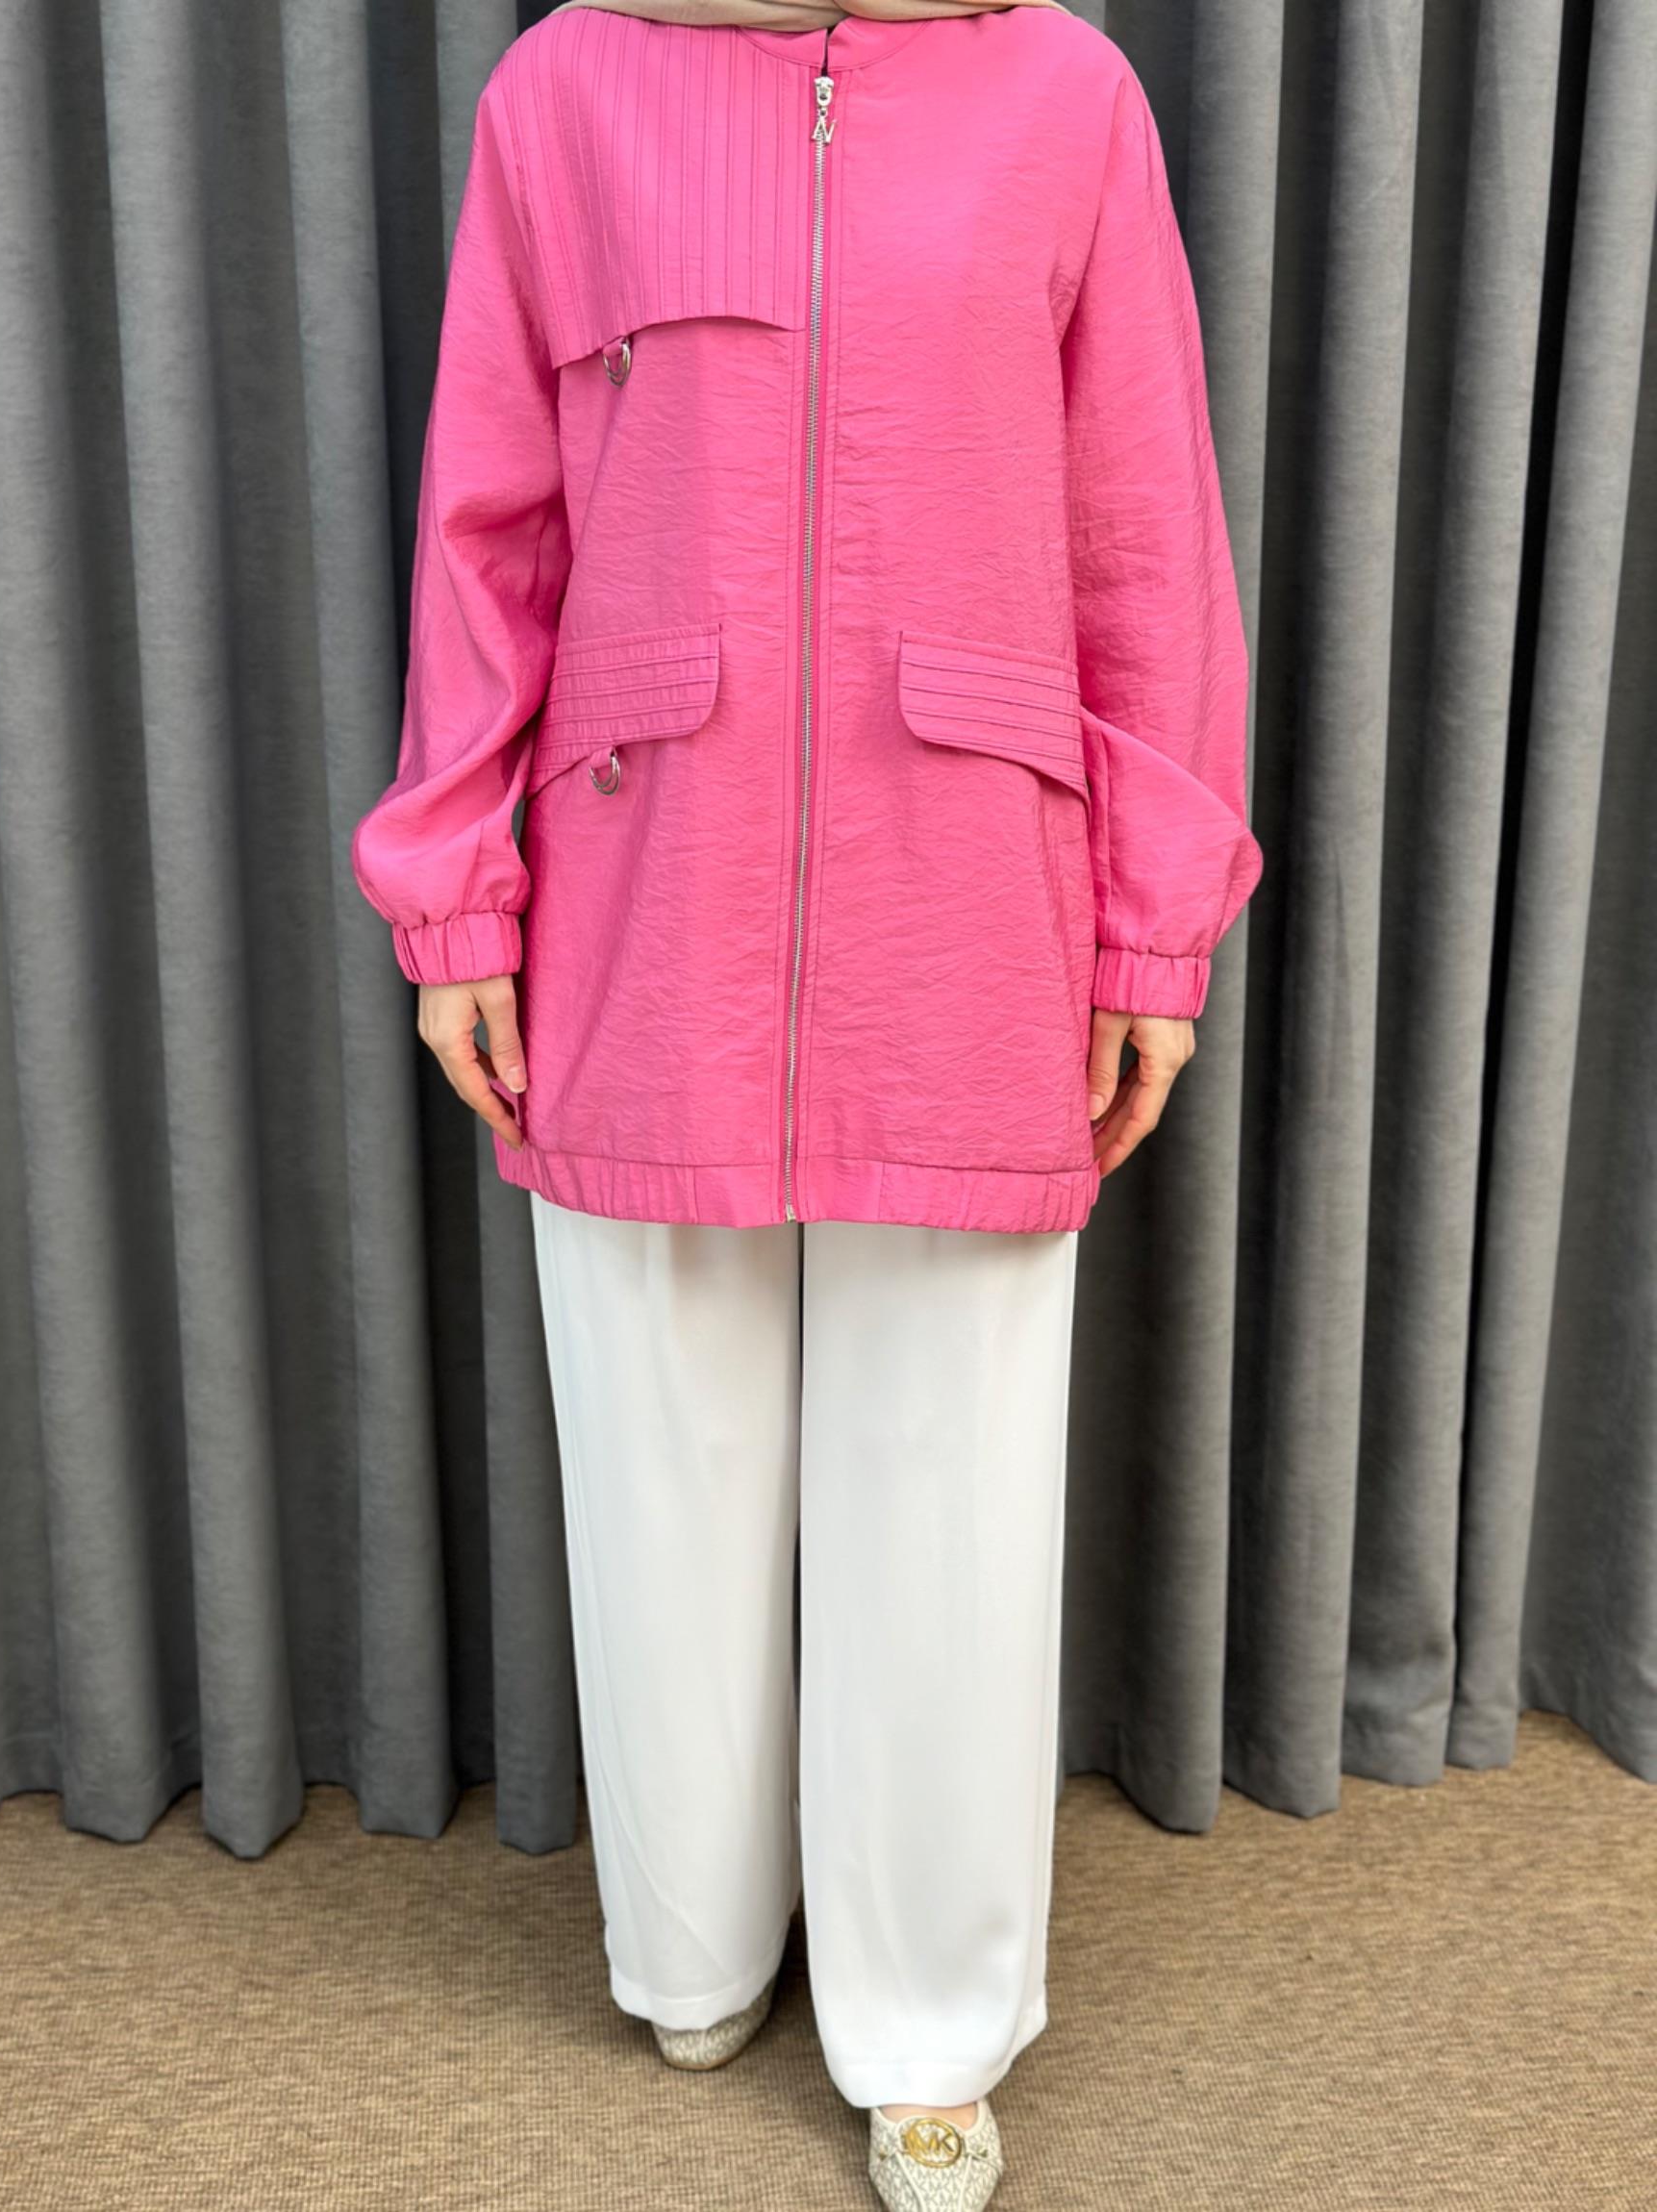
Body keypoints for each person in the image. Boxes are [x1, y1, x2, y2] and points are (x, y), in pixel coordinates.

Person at [350, 0, 1263, 2199]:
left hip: (970, 891)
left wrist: (1156, 924)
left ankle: (930, 2015)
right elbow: (487, 526)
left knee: (949, 1479)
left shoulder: (1065, 97)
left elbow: (1143, 538)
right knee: (655, 1447)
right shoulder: (569, 89)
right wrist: (452, 889)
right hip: (641, 880)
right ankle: (688, 1941)